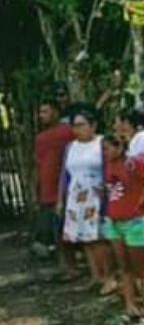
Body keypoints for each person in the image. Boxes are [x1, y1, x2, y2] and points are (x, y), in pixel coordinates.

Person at [60, 108, 114, 291]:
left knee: (98, 238)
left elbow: (110, 167)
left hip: (97, 196)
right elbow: (65, 175)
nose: (77, 129)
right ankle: (95, 276)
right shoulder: (70, 147)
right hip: (76, 197)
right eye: (74, 126)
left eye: (81, 125)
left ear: (93, 126)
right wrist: (62, 199)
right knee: (84, 238)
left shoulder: (101, 143)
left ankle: (109, 277)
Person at [102, 135, 144, 322]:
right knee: (123, 266)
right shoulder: (108, 165)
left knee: (140, 268)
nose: (104, 153)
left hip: (134, 221)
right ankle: (130, 304)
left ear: (119, 147)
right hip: (114, 222)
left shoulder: (133, 163)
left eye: (107, 148)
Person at [33, 99, 75, 260]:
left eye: (45, 111)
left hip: (65, 189)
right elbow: (38, 165)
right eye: (40, 112)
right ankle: (65, 264)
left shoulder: (68, 132)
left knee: (68, 230)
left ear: (56, 112)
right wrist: (36, 190)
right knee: (54, 231)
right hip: (47, 190)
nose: (41, 115)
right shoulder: (40, 138)